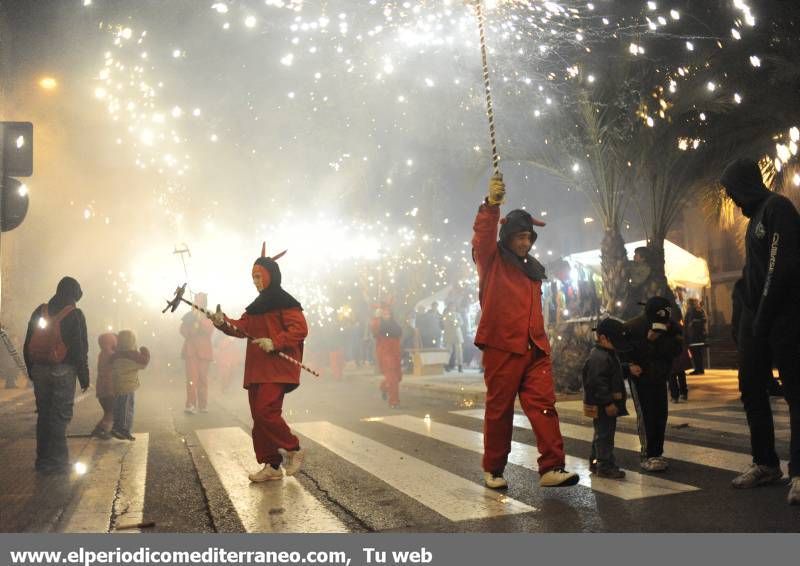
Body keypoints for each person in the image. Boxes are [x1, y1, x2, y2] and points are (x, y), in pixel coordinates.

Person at [472, 175, 578, 489]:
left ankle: (552, 467)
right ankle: (493, 469)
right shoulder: (491, 259)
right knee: (499, 411)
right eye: (519, 237)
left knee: (545, 407)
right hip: (502, 347)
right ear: (507, 236)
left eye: (528, 237)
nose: (525, 243)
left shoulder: (532, 267)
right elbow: (482, 235)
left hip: (535, 348)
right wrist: (490, 205)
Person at [720, 158, 800, 505]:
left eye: (733, 192)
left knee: (796, 393)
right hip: (756, 323)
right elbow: (751, 276)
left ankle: (798, 472)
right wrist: (744, 322)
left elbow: (778, 267)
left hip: (784, 320)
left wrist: (763, 316)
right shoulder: (754, 221)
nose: (733, 201)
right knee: (751, 388)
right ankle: (766, 463)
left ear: (746, 184)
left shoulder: (777, 209)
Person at [211, 243, 308, 482]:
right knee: (259, 419)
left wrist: (275, 342)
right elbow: (241, 329)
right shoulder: (256, 307)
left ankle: (293, 449)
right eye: (253, 277)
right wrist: (222, 322)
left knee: (266, 412)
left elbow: (300, 329)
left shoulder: (286, 302)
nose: (255, 281)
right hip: (257, 370)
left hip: (276, 369)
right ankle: (272, 466)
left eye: (258, 276)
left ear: (270, 276)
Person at [23, 276, 89, 474]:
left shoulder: (40, 310)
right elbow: (79, 348)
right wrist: (84, 376)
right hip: (63, 369)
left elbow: (28, 342)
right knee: (59, 416)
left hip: (40, 369)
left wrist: (31, 369)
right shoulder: (75, 314)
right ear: (74, 295)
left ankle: (43, 460)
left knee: (44, 415)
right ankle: (59, 462)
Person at [624, 297, 684, 472]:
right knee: (646, 415)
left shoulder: (671, 327)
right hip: (640, 378)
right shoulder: (633, 327)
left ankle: (657, 453)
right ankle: (647, 454)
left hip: (659, 377)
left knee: (660, 415)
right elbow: (625, 352)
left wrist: (660, 340)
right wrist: (630, 365)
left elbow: (676, 350)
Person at [582, 318, 635, 479]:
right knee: (605, 435)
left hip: (603, 404)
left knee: (601, 433)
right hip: (602, 405)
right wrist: (608, 403)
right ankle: (605, 466)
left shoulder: (606, 353)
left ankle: (595, 461)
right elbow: (598, 382)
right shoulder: (600, 357)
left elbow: (613, 373)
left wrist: (627, 369)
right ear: (604, 338)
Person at [110, 330, 150, 441]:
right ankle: (123, 430)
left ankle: (118, 428)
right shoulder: (132, 355)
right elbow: (144, 363)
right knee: (127, 408)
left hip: (117, 385)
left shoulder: (116, 355)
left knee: (119, 407)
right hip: (128, 386)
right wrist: (144, 350)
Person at [180, 292, 214, 414]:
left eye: (199, 301)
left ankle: (203, 405)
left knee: (203, 379)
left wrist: (200, 320)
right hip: (191, 351)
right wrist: (192, 327)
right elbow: (183, 331)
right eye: (196, 301)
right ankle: (190, 404)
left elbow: (209, 330)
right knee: (191, 379)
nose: (196, 303)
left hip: (204, 352)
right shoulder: (189, 316)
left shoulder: (208, 315)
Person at [370, 303, 403, 408]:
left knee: (398, 377)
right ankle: (394, 401)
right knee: (392, 378)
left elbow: (399, 333)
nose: (387, 315)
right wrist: (376, 317)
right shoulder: (378, 323)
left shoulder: (394, 323)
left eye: (388, 313)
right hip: (385, 353)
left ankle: (384, 387)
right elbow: (374, 329)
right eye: (384, 313)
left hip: (395, 353)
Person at [91, 333, 117, 440]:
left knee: (108, 412)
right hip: (108, 389)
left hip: (102, 389)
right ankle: (102, 430)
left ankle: (99, 429)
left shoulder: (102, 354)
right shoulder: (111, 354)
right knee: (111, 413)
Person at [685, 298, 707, 375]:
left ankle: (699, 369)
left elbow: (703, 320)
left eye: (688, 303)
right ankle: (699, 369)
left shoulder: (698, 310)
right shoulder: (690, 311)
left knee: (697, 353)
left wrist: (694, 322)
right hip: (693, 335)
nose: (687, 304)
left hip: (696, 336)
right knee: (696, 353)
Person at [442, 302, 465, 373]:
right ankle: (446, 364)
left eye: (453, 306)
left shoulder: (458, 314)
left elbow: (461, 322)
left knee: (459, 351)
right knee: (448, 350)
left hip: (457, 334)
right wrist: (451, 324)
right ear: (449, 307)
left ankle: (460, 365)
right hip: (449, 334)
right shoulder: (445, 315)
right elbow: (445, 324)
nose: (452, 308)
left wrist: (456, 324)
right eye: (451, 306)